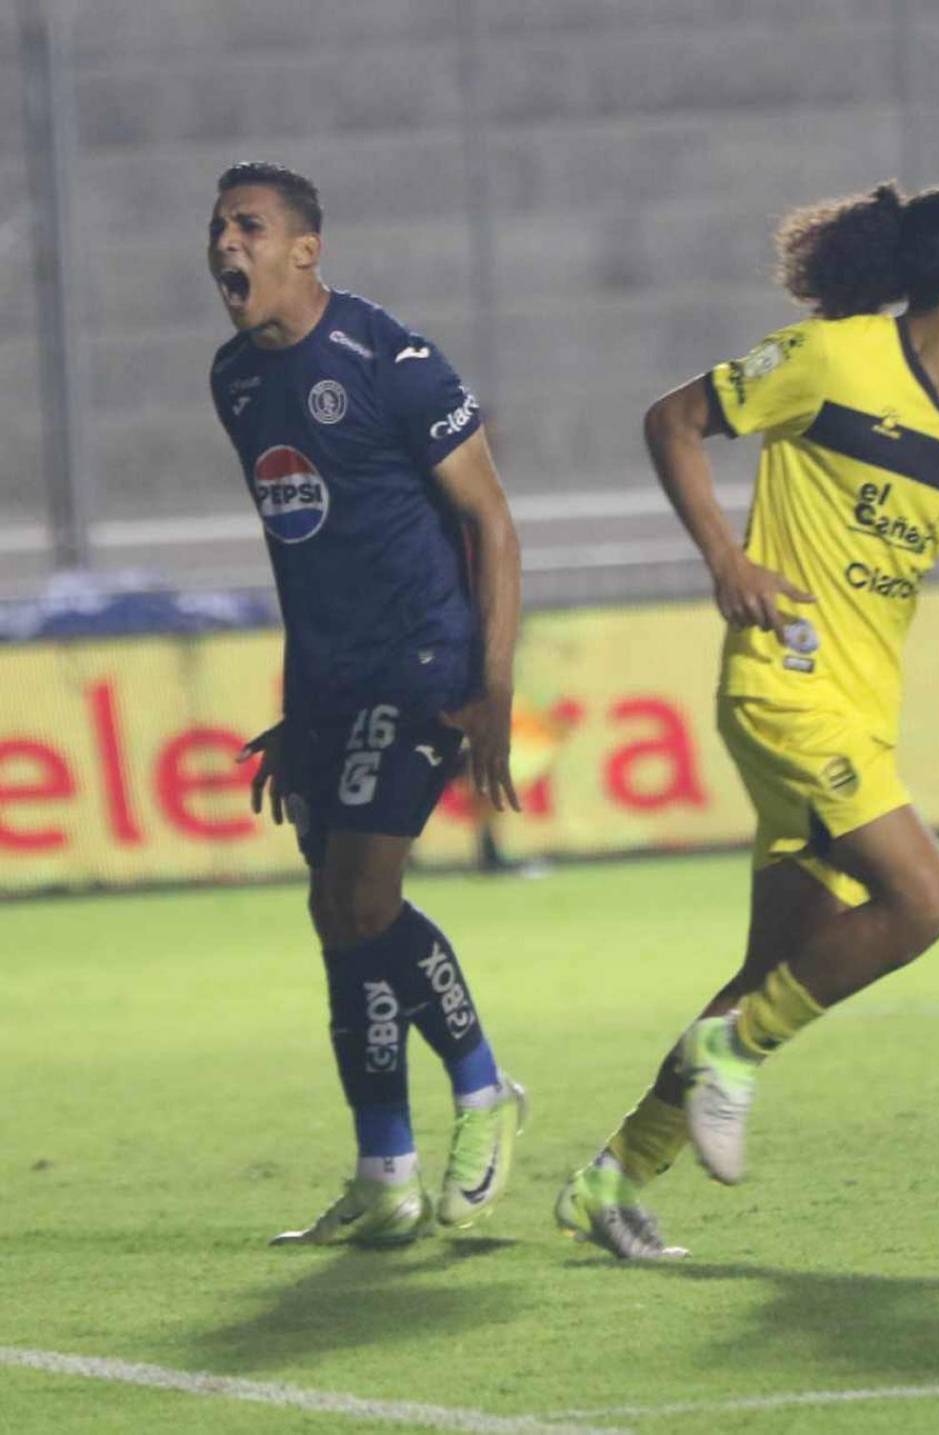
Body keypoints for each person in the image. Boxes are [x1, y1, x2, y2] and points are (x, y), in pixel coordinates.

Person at [556, 180, 939, 1259]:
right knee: (925, 898)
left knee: (780, 959)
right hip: (783, 686)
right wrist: (728, 560)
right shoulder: (830, 360)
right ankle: (736, 1051)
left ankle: (615, 1177)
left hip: (863, 710)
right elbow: (671, 420)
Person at [207, 161, 526, 1246]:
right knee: (334, 915)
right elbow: (310, 550)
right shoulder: (235, 382)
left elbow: (490, 520)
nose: (224, 247)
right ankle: (383, 1168)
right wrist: (301, 704)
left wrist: (493, 684)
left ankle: (485, 1092)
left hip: (422, 661)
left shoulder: (389, 358)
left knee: (367, 895)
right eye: (216, 230)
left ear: (306, 249)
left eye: (248, 227)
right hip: (329, 680)